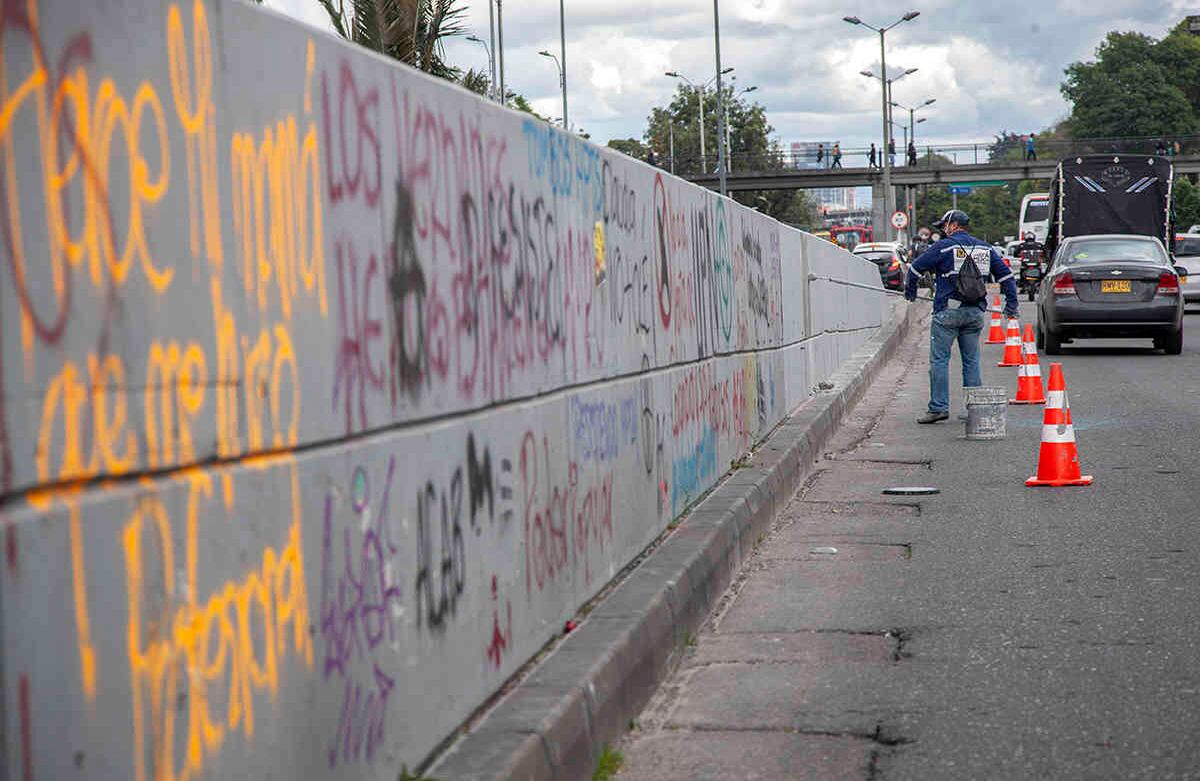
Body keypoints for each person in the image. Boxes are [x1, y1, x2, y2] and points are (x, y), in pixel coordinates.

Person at [904, 209, 1019, 424]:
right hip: (975, 312)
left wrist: (910, 292)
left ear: (954, 225)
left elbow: (915, 269)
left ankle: (938, 407)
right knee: (971, 360)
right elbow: (1007, 277)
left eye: (944, 226)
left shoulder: (943, 247)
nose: (943, 230)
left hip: (947, 312)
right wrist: (1011, 304)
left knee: (939, 360)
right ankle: (973, 408)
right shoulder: (985, 248)